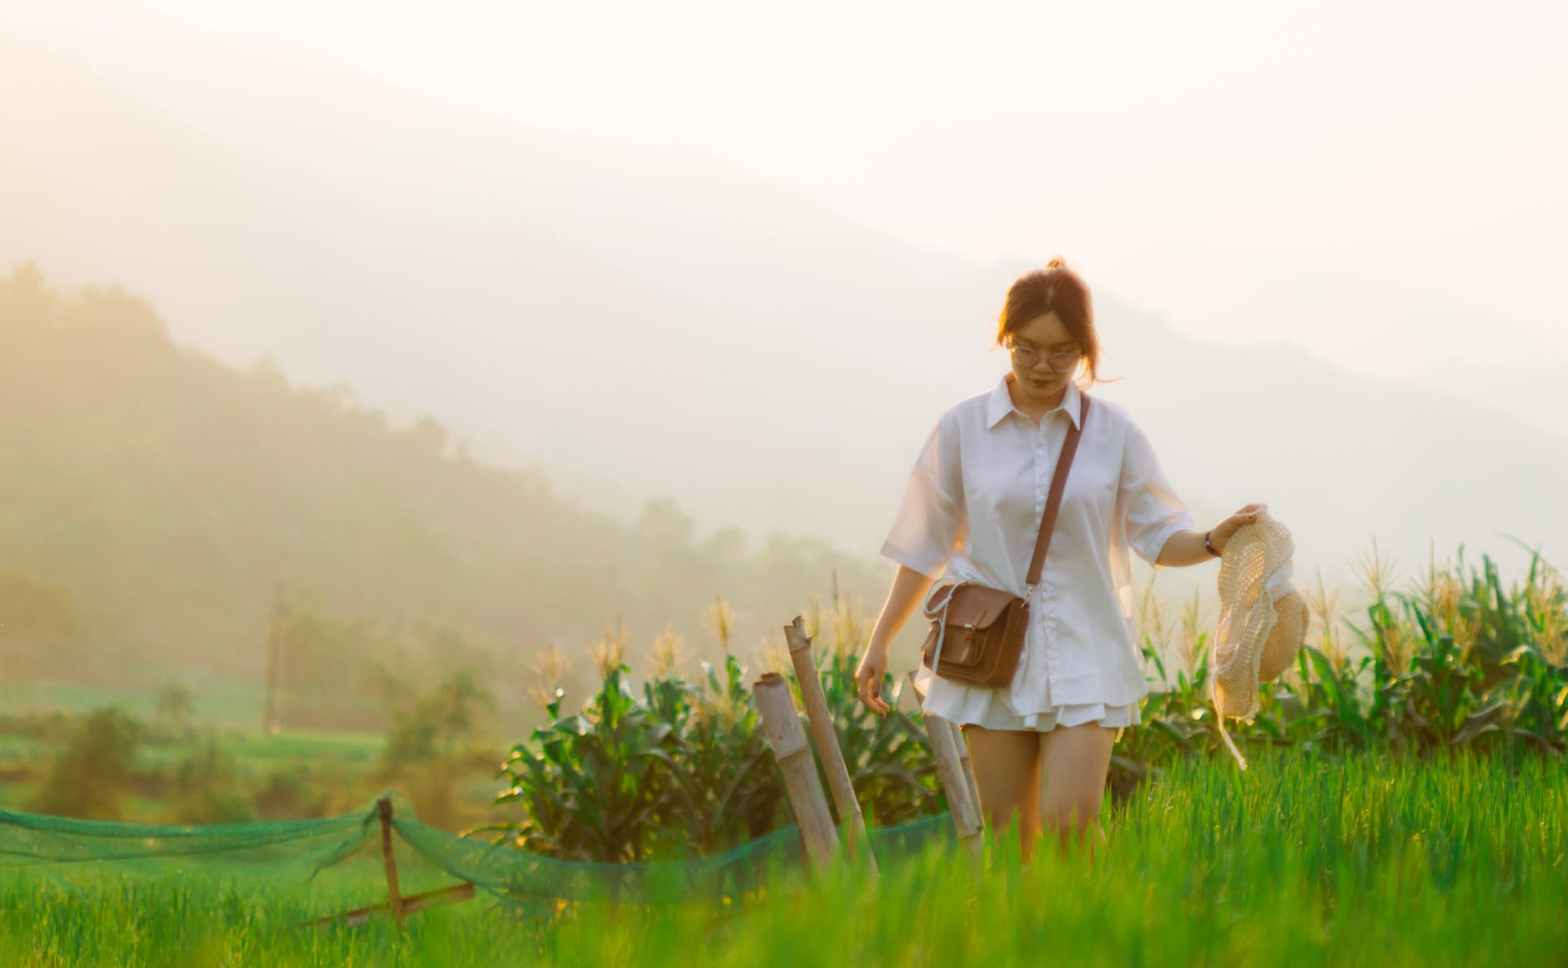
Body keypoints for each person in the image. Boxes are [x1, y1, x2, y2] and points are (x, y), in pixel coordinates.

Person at [853, 256, 1266, 863]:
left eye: (1062, 351)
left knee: (1072, 828)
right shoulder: (963, 428)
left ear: (1085, 352)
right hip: (988, 655)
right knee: (1008, 839)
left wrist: (1212, 541)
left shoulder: (1114, 433)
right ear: (1005, 341)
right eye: (1027, 349)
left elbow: (1157, 536)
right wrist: (879, 640)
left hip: (1087, 651)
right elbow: (924, 546)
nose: (1043, 365)